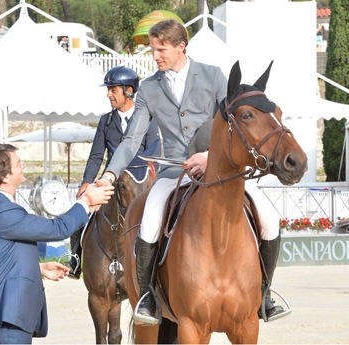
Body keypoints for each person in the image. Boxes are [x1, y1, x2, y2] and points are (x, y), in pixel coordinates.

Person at [96, 19, 285, 325]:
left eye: (161, 49)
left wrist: (210, 156)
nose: (155, 55)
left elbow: (231, 124)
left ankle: (264, 294)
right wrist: (110, 174)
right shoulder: (148, 88)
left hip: (222, 170)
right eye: (153, 49)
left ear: (180, 46)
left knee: (269, 218)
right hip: (174, 172)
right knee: (150, 219)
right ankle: (147, 298)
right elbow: (132, 140)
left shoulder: (212, 76)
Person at [0, 143, 114, 344]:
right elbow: (57, 229)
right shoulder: (1, 210)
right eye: (19, 163)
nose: (23, 166)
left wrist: (37, 268)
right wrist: (86, 201)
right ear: (4, 177)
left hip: (8, 316)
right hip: (6, 316)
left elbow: (0, 255)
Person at [66, 66, 160, 279]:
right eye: (108, 90)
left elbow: (152, 150)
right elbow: (96, 155)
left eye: (113, 90)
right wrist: (86, 181)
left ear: (129, 91)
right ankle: (76, 257)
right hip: (111, 180)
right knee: (83, 206)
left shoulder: (148, 118)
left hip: (140, 178)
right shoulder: (106, 121)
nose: (109, 94)